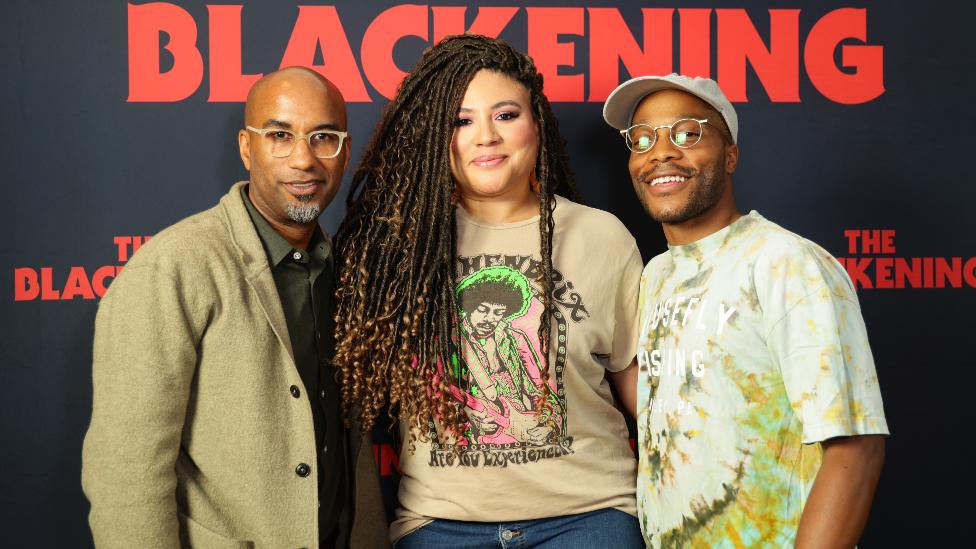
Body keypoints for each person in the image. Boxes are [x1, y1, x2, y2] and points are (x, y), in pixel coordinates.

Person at [333, 35, 644, 548]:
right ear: (436, 134)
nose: (486, 137)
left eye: (505, 115)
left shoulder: (601, 237)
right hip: (441, 522)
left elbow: (644, 397)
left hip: (587, 514)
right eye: (462, 120)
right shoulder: (398, 250)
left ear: (536, 125)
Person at [81, 67, 388, 549]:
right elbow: (127, 470)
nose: (304, 160)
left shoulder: (346, 268)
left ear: (345, 152)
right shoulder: (174, 266)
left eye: (323, 137)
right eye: (280, 136)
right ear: (247, 147)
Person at [602, 73, 889, 548]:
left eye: (687, 133)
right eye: (643, 139)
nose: (661, 152)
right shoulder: (655, 275)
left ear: (730, 154)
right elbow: (673, 402)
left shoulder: (785, 262)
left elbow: (856, 447)